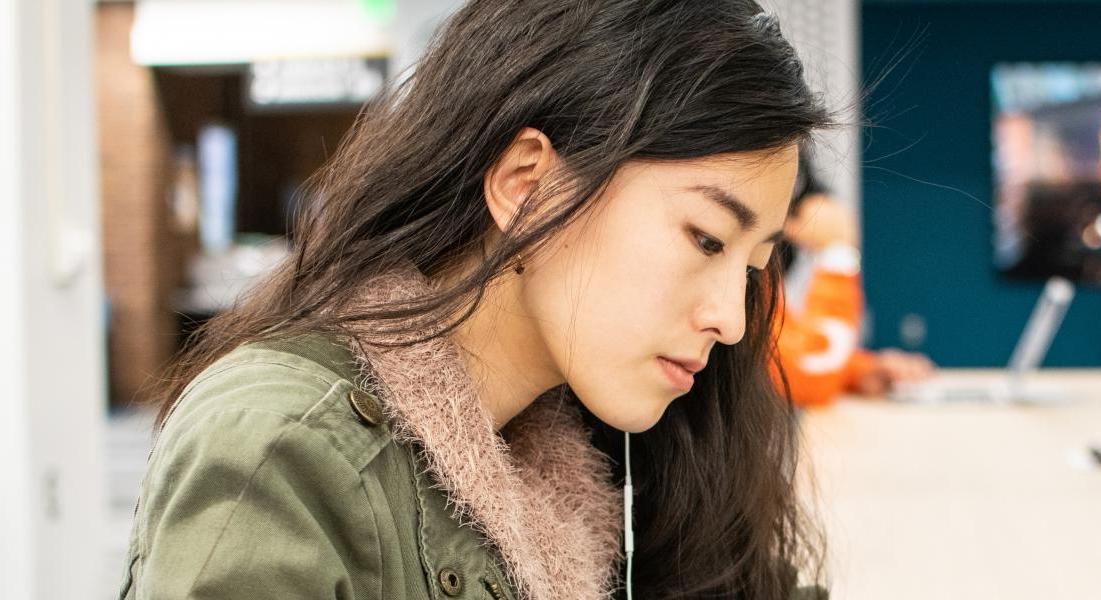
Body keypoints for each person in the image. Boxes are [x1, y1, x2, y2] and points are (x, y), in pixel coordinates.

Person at [120, 2, 830, 599]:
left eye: (753, 268)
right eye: (707, 240)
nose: (732, 322)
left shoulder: (599, 456)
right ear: (526, 186)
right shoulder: (283, 451)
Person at [774, 158, 934, 408]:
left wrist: (860, 370)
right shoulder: (744, 272)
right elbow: (805, 374)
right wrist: (837, 252)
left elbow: (776, 360)